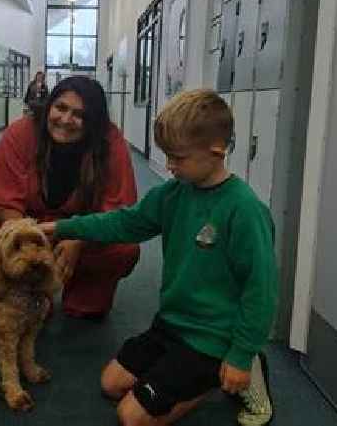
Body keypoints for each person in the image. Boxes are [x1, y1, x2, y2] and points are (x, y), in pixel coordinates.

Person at [39, 89, 278, 426]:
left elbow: (261, 291)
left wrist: (239, 355)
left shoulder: (245, 210)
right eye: (167, 156)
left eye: (178, 157)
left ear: (217, 151)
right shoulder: (174, 193)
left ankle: (241, 367)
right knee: (111, 384)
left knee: (131, 418)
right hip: (173, 323)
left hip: (214, 336)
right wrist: (65, 228)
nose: (169, 165)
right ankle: (192, 372)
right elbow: (123, 222)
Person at [0, 75, 140, 319]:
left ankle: (85, 292)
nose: (65, 120)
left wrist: (79, 238)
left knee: (125, 249)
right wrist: (32, 242)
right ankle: (30, 291)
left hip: (85, 229)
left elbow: (118, 208)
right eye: (60, 108)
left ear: (94, 121)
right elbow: (4, 198)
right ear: (49, 105)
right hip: (31, 226)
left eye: (79, 115)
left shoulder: (110, 141)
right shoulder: (22, 132)